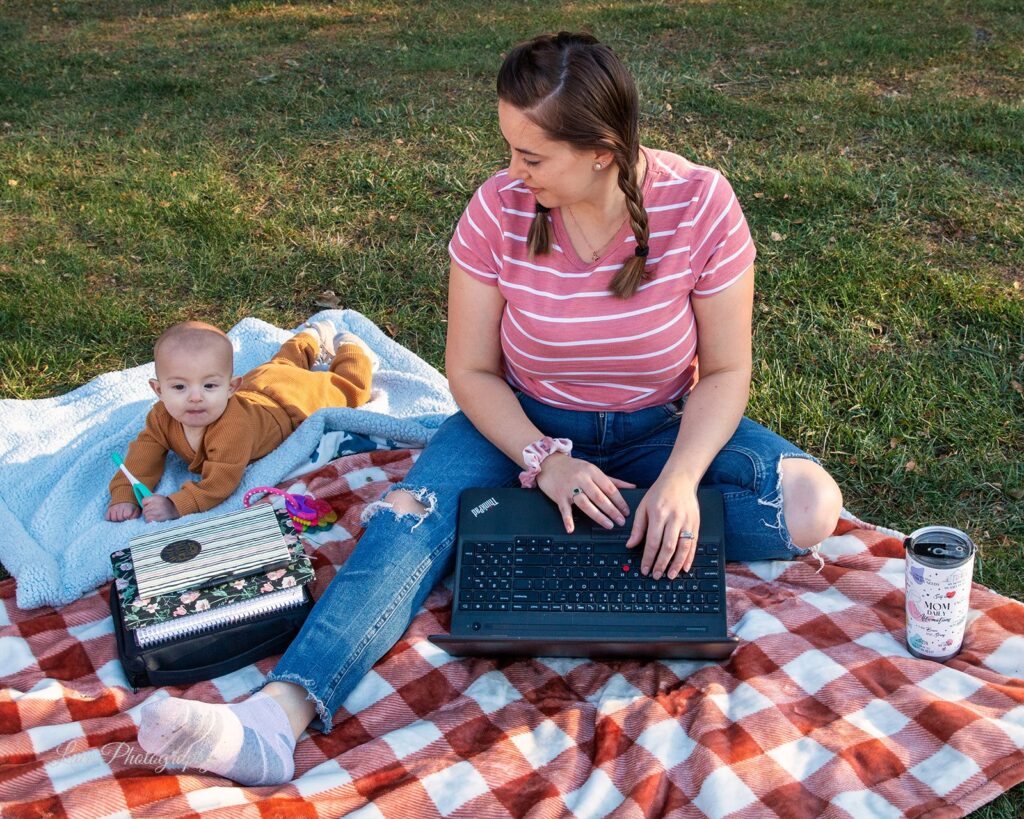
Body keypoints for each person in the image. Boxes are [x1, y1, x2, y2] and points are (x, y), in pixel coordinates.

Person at [136, 32, 843, 786]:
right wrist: (546, 462)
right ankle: (276, 717)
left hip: (659, 428)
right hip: (518, 426)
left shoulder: (700, 201)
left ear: (602, 150)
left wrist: (678, 483)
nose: (511, 171)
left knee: (809, 505)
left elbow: (727, 370)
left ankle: (564, 525)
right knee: (409, 517)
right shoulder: (497, 208)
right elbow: (471, 372)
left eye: (531, 156)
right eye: (509, 148)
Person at [107, 319, 374, 522]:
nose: (195, 397)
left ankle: (352, 350)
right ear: (158, 390)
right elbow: (142, 455)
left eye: (210, 385)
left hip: (286, 404)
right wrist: (124, 493)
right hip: (260, 382)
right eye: (179, 387)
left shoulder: (231, 429)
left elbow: (219, 483)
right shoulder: (161, 417)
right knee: (281, 364)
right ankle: (310, 336)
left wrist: (175, 505)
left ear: (231, 387)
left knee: (346, 390)